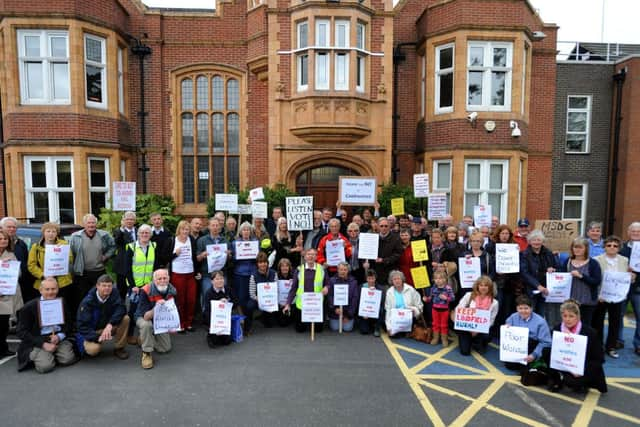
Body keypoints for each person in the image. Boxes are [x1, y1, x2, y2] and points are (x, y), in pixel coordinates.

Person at [16, 277, 77, 373]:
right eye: (47, 289)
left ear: (58, 289)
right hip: (38, 339)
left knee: (67, 360)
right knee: (45, 367)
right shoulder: (29, 307)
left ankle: (53, 354)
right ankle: (41, 355)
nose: (50, 292)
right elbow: (21, 332)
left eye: (53, 289)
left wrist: (59, 336)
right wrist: (43, 344)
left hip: (56, 336)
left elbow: (69, 323)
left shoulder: (62, 302)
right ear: (40, 290)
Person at [547, 300, 607, 394]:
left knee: (574, 383)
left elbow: (599, 359)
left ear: (578, 317)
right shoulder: (557, 329)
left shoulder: (590, 332)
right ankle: (558, 377)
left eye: (571, 316)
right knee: (546, 351)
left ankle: (579, 382)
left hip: (583, 367)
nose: (568, 319)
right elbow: (552, 352)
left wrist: (581, 371)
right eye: (565, 316)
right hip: (564, 365)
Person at [69, 214, 116, 318]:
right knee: (81, 299)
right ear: (84, 224)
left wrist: (106, 256)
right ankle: (81, 320)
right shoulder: (75, 236)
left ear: (96, 224)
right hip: (82, 273)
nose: (91, 225)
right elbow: (70, 254)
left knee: (99, 297)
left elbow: (113, 247)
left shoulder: (104, 235)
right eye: (89, 223)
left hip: (99, 272)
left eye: (93, 222)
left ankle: (97, 320)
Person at [27, 222, 74, 325]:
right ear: (43, 233)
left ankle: (62, 330)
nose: (51, 234)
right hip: (44, 282)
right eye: (48, 231)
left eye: (54, 231)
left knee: (62, 308)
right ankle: (47, 329)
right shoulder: (36, 247)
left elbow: (70, 259)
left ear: (57, 233)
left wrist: (62, 253)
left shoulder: (63, 244)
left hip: (62, 282)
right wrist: (43, 274)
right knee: (46, 309)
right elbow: (31, 265)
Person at [593, 235, 631, 358]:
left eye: (615, 245)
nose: (612, 247)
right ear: (604, 247)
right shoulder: (596, 260)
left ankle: (611, 347)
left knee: (615, 322)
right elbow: (595, 279)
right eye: (609, 245)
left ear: (619, 248)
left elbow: (626, 277)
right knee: (598, 322)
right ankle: (598, 347)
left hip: (617, 297)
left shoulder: (624, 260)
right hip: (601, 296)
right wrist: (598, 295)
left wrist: (632, 277)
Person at [76, 274, 130, 360]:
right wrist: (97, 337)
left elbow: (121, 308)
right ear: (97, 286)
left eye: (109, 286)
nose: (107, 288)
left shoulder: (114, 293)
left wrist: (110, 324)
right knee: (93, 350)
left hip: (107, 327)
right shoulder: (87, 302)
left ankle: (119, 348)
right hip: (93, 331)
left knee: (125, 318)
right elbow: (82, 327)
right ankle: (92, 345)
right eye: (104, 285)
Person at [160, 220, 199, 332]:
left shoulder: (191, 240)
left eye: (187, 229)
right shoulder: (172, 240)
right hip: (177, 274)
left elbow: (194, 257)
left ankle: (189, 323)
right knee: (180, 300)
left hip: (190, 274)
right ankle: (180, 323)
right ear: (179, 229)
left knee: (191, 299)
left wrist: (197, 272)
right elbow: (164, 257)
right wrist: (174, 254)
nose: (185, 231)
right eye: (183, 229)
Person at [124, 224, 160, 344]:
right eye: (142, 233)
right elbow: (127, 268)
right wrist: (133, 285)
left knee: (147, 310)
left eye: (147, 233)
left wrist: (155, 283)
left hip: (149, 285)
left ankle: (142, 336)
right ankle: (129, 335)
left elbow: (155, 266)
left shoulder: (154, 246)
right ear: (138, 234)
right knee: (133, 311)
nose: (144, 235)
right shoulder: (131, 247)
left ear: (150, 234)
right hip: (135, 286)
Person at [135, 269, 177, 369]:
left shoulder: (172, 290)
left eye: (165, 278)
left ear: (169, 278)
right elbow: (145, 316)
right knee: (146, 325)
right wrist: (157, 308)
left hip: (160, 320)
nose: (162, 281)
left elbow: (174, 311)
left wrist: (172, 325)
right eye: (159, 279)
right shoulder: (145, 290)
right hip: (143, 316)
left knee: (165, 348)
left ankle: (143, 338)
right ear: (154, 280)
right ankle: (146, 353)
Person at [283, 248, 329, 333]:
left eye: (313, 254)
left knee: (318, 330)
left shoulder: (322, 269)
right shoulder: (299, 270)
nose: (311, 256)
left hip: (316, 304)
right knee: (300, 330)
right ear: (305, 257)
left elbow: (328, 283)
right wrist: (288, 304)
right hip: (302, 304)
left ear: (316, 257)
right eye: (308, 254)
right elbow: (294, 288)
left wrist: (326, 287)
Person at [559, 237, 602, 327]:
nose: (577, 250)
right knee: (569, 324)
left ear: (586, 249)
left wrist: (581, 276)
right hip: (570, 300)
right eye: (575, 247)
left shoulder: (593, 263)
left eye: (580, 247)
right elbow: (561, 277)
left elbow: (596, 281)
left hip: (587, 300)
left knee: (585, 326)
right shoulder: (568, 261)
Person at [504, 295, 552, 372]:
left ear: (531, 308)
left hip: (532, 345)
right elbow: (506, 326)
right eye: (520, 308)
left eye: (526, 308)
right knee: (510, 366)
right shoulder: (513, 317)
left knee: (525, 370)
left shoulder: (540, 322)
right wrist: (506, 327)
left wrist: (534, 355)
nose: (523, 311)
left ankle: (533, 362)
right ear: (517, 308)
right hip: (517, 345)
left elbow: (546, 342)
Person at [488, 224, 523, 328]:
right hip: (496, 281)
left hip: (510, 282)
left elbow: (518, 264)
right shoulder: (491, 246)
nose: (504, 236)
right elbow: (489, 264)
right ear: (498, 234)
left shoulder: (514, 246)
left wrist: (518, 253)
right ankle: (495, 328)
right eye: (502, 233)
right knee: (497, 305)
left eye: (507, 233)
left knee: (508, 307)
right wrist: (496, 271)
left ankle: (505, 328)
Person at [454, 275, 498, 355]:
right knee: (465, 352)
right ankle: (469, 340)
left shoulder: (494, 302)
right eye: (481, 285)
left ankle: (479, 343)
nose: (483, 288)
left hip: (481, 330)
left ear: (490, 287)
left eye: (486, 285)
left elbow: (491, 321)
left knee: (487, 336)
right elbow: (458, 309)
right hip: (467, 328)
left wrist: (478, 329)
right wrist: (470, 327)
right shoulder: (469, 295)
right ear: (477, 286)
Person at [520, 230, 558, 317]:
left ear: (542, 241)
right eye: (534, 240)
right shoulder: (524, 254)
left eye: (538, 240)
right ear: (529, 241)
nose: (536, 242)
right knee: (530, 314)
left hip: (546, 290)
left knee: (542, 314)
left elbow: (557, 267)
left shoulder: (548, 253)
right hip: (531, 290)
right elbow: (524, 273)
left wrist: (553, 269)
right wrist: (538, 286)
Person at [196, 217, 229, 314]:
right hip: (207, 275)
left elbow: (230, 259)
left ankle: (221, 319)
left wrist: (229, 254)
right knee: (207, 296)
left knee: (223, 296)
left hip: (222, 274)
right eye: (213, 225)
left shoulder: (225, 241)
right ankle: (207, 319)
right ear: (209, 227)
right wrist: (202, 255)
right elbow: (197, 258)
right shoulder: (202, 240)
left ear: (220, 227)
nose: (215, 227)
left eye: (217, 225)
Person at [0, 230, 24, 357]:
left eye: (5, 239)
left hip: (8, 293)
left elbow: (18, 274)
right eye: (1, 239)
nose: (3, 241)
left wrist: (12, 268)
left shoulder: (11, 254)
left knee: (4, 325)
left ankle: (4, 348)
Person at [231, 221, 259, 328]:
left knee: (251, 298)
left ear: (250, 232)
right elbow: (233, 259)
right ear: (241, 232)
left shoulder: (255, 242)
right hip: (240, 274)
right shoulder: (235, 243)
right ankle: (244, 319)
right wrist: (237, 255)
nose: (246, 232)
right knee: (242, 298)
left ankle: (249, 322)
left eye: (248, 230)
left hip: (252, 273)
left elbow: (258, 257)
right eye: (244, 230)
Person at [618, 222, 640, 355]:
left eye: (639, 232)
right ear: (628, 233)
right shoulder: (621, 248)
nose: (636, 234)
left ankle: (638, 344)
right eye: (634, 231)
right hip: (622, 288)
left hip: (639, 289)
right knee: (618, 315)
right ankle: (618, 340)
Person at [0, 217, 33, 302]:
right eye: (9, 227)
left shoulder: (21, 244)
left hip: (20, 286)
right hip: (3, 289)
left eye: (14, 227)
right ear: (1, 228)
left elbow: (26, 263)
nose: (12, 229)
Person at [384, 270, 423, 337]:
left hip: (409, 318)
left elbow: (419, 305)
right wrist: (389, 327)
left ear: (402, 279)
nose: (397, 281)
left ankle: (408, 330)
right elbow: (388, 310)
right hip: (396, 319)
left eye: (398, 278)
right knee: (392, 335)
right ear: (392, 281)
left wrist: (415, 311)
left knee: (409, 334)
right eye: (394, 279)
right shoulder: (389, 292)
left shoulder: (410, 289)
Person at [247, 252, 277, 332]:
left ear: (267, 263)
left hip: (270, 300)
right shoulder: (253, 275)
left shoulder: (274, 273)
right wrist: (260, 300)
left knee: (269, 325)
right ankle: (248, 326)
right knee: (249, 306)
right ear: (257, 264)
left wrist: (270, 300)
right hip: (258, 299)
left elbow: (276, 289)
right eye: (260, 262)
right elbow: (252, 293)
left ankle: (264, 317)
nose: (262, 264)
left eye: (264, 262)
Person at [203, 270, 234, 348]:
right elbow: (207, 312)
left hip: (224, 321)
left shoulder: (228, 289)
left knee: (227, 342)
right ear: (212, 281)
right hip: (213, 321)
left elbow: (236, 302)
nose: (220, 281)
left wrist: (228, 301)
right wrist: (213, 326)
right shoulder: (208, 293)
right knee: (215, 342)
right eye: (217, 279)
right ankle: (210, 335)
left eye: (221, 278)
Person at [424, 270, 454, 347]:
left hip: (444, 310)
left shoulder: (448, 288)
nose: (438, 280)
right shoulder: (433, 288)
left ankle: (444, 339)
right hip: (435, 309)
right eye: (436, 278)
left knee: (444, 325)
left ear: (445, 279)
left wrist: (446, 298)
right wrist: (426, 299)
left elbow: (452, 298)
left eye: (440, 278)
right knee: (435, 324)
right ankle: (435, 338)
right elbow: (430, 298)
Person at [327, 262, 359, 332]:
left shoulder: (353, 282)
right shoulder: (332, 280)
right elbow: (330, 296)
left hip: (347, 312)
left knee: (347, 328)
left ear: (348, 271)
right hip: (335, 312)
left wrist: (348, 315)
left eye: (345, 270)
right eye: (341, 269)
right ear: (337, 270)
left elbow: (355, 299)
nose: (343, 272)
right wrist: (334, 309)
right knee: (335, 328)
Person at [113, 211, 137, 300]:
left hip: (135, 266)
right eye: (127, 219)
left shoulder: (139, 231)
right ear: (124, 220)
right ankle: (121, 311)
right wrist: (122, 229)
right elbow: (117, 241)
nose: (129, 221)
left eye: (131, 219)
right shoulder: (118, 231)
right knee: (121, 292)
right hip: (122, 267)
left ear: (135, 220)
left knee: (135, 291)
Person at [374, 218, 404, 287]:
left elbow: (398, 254)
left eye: (386, 226)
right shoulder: (374, 238)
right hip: (377, 272)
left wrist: (384, 260)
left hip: (390, 272)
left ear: (389, 226)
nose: (384, 228)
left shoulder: (396, 238)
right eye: (381, 226)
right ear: (378, 227)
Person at [358, 269, 385, 336]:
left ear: (375, 278)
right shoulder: (362, 287)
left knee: (381, 309)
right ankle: (369, 324)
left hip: (375, 313)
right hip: (365, 314)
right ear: (366, 279)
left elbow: (382, 302)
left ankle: (377, 327)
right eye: (369, 278)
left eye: (372, 278)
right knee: (364, 331)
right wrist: (362, 313)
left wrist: (375, 293)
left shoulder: (379, 288)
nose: (371, 280)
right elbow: (358, 301)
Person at [275, 258, 294, 327]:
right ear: (279, 268)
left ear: (289, 267)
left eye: (287, 266)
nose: (284, 268)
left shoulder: (293, 276)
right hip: (280, 303)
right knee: (282, 324)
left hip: (291, 303)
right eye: (282, 266)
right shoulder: (276, 276)